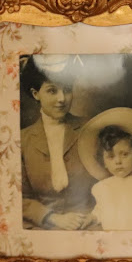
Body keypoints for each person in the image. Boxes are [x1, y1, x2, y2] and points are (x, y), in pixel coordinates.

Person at [20, 55, 97, 230]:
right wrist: (51, 217)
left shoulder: (90, 129)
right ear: (36, 94)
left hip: (87, 221)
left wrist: (94, 215)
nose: (62, 98)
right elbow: (17, 196)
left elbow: (112, 182)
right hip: (43, 225)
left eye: (67, 89)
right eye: (52, 91)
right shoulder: (22, 140)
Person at [77, 108, 132, 231]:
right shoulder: (103, 187)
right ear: (104, 162)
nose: (118, 161)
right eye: (111, 157)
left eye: (124, 154)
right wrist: (92, 218)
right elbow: (100, 211)